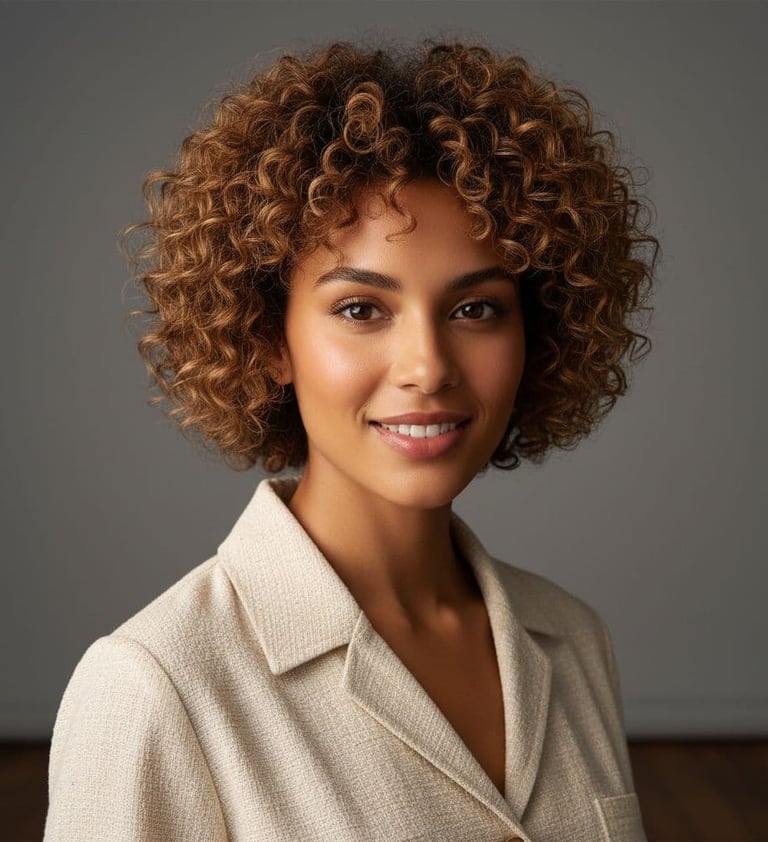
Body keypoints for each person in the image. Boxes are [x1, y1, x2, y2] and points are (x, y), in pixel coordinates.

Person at [44, 38, 658, 842]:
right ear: (268, 338)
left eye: (475, 309)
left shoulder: (571, 640)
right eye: (362, 309)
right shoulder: (157, 686)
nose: (427, 368)